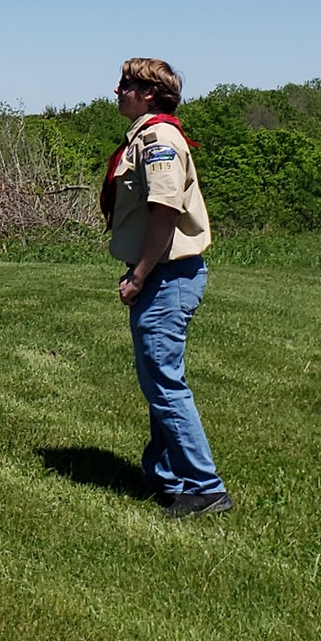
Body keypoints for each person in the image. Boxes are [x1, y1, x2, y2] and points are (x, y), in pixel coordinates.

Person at [102, 56, 232, 518]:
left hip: (167, 276)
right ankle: (166, 476)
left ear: (149, 93)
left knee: (165, 383)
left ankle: (205, 487)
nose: (117, 91)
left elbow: (164, 213)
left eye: (126, 85)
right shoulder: (144, 135)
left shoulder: (160, 139)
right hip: (160, 273)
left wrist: (139, 275)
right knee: (158, 380)